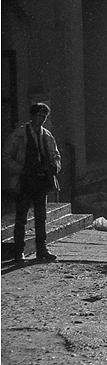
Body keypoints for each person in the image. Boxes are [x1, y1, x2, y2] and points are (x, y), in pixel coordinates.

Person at [2, 103, 62, 262]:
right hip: (24, 181)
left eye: (44, 117)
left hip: (41, 181)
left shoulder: (47, 135)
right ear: (32, 116)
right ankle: (19, 251)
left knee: (41, 217)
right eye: (39, 116)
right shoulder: (19, 135)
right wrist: (21, 169)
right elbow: (5, 157)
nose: (41, 119)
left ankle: (42, 249)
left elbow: (56, 156)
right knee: (21, 217)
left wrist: (54, 167)